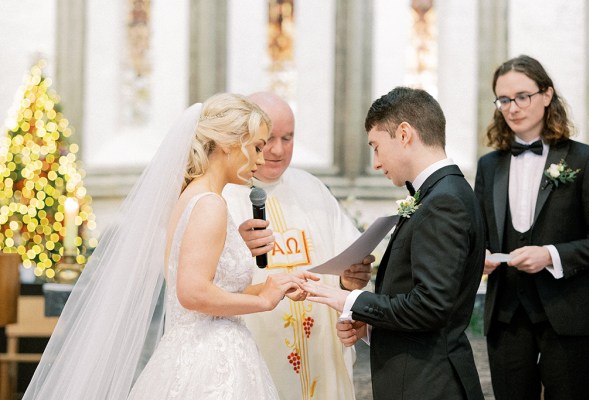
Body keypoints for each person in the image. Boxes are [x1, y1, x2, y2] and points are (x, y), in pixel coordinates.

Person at [23, 93, 318, 399]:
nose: (261, 157)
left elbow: (212, 291)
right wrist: (263, 301)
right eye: (257, 146)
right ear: (230, 143)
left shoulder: (192, 196)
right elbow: (192, 293)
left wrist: (273, 286)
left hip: (193, 350)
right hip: (212, 359)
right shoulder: (210, 204)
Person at [300, 87, 486, 400]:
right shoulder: (439, 194)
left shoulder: (443, 202)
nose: (375, 162)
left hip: (431, 385)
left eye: (375, 146)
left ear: (403, 134)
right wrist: (371, 325)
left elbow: (430, 306)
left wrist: (349, 300)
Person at [222, 92, 373, 400]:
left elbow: (347, 260)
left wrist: (350, 279)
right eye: (268, 139)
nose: (278, 150)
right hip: (255, 350)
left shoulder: (312, 189)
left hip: (320, 350)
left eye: (288, 138)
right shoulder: (224, 196)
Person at [474, 55, 589, 400]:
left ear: (546, 94)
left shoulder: (585, 160)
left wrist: (551, 255)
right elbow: (479, 237)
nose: (512, 108)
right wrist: (479, 257)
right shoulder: (489, 166)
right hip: (505, 315)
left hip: (567, 314)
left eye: (522, 96)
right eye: (503, 99)